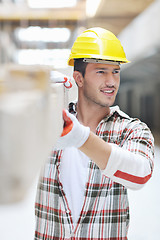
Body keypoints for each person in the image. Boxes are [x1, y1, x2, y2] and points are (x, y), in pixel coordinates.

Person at [35, 27, 154, 240]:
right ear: (78, 78)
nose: (111, 81)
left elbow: (140, 174)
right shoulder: (50, 122)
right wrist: (31, 93)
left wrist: (81, 137)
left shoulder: (131, 129)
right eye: (101, 71)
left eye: (115, 71)